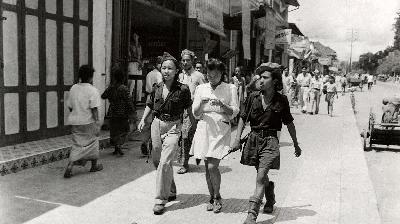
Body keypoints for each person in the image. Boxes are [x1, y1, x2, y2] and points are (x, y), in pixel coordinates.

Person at [231, 63, 301, 224]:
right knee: (261, 176)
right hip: (254, 140)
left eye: (265, 77)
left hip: (270, 141)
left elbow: (289, 123)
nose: (260, 80)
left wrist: (296, 144)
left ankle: (251, 215)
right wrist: (236, 139)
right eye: (260, 77)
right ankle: (270, 197)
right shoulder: (253, 97)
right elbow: (243, 117)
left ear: (274, 81)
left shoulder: (281, 100)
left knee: (261, 176)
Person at [137, 52, 192, 215]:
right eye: (164, 68)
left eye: (170, 68)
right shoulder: (157, 87)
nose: (166, 71)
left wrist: (193, 127)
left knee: (165, 163)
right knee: (157, 162)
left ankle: (160, 200)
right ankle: (171, 189)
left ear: (177, 71)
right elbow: (149, 104)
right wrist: (143, 119)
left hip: (174, 126)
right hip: (157, 124)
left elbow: (189, 109)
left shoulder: (183, 89)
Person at [190, 58, 239, 213]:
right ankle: (211, 197)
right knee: (207, 166)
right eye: (209, 76)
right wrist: (202, 105)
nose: (211, 79)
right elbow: (195, 113)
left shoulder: (230, 88)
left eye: (215, 76)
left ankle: (217, 196)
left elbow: (235, 112)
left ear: (222, 74)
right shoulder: (201, 89)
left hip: (221, 128)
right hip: (204, 127)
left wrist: (223, 106)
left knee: (213, 166)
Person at [64, 65, 103, 178]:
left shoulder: (73, 88)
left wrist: (77, 113)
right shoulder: (93, 90)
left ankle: (70, 165)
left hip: (75, 121)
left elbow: (70, 106)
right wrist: (97, 123)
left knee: (77, 144)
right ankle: (94, 166)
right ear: (91, 77)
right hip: (88, 121)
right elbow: (94, 109)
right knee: (94, 142)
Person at [177, 49, 206, 174]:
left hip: (192, 111)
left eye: (187, 60)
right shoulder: (179, 75)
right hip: (179, 110)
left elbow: (205, 92)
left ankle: (184, 164)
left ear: (192, 61)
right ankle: (184, 159)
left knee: (185, 135)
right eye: (183, 60)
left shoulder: (198, 76)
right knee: (180, 136)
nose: (185, 62)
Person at [101, 66, 134, 156]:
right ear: (123, 78)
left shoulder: (111, 88)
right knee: (124, 130)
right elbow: (129, 102)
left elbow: (103, 96)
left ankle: (116, 147)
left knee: (114, 131)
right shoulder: (124, 88)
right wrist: (132, 113)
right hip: (123, 113)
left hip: (112, 112)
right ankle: (119, 145)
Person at [139, 56, 163, 155]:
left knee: (148, 122)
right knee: (156, 122)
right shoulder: (159, 75)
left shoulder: (149, 74)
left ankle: (145, 142)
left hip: (149, 97)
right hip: (157, 98)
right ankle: (152, 145)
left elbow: (146, 87)